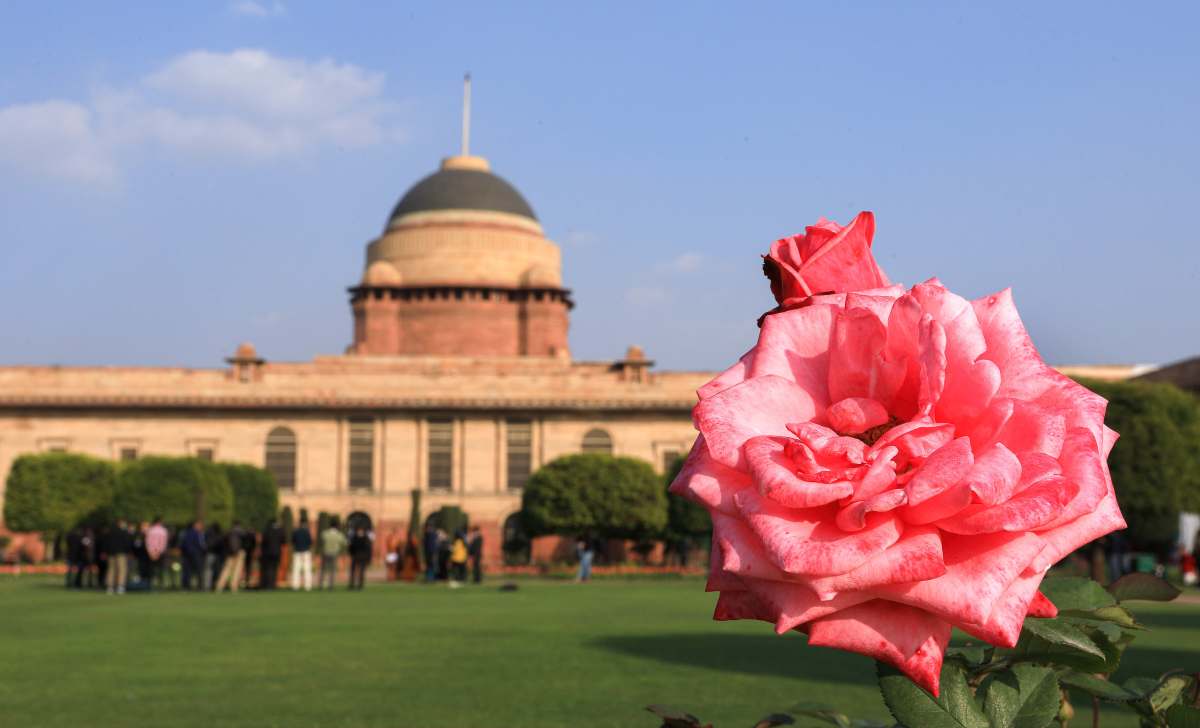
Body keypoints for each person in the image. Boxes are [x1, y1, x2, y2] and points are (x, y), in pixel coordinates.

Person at [214, 520, 246, 593]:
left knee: (226, 570)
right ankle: (234, 586)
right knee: (237, 571)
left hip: (230, 553)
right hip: (239, 552)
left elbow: (222, 541)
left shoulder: (228, 532)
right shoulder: (241, 532)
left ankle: (219, 586)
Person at [105, 519, 133, 595]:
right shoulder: (124, 532)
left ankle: (110, 587)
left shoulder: (110, 532)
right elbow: (127, 543)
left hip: (111, 553)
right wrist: (129, 552)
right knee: (122, 569)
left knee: (111, 569)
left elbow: (106, 543)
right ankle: (120, 586)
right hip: (121, 553)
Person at [319, 518, 347, 590]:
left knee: (323, 569)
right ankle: (330, 585)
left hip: (326, 552)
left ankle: (321, 585)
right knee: (332, 570)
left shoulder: (325, 533)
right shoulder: (338, 535)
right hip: (334, 553)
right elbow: (345, 542)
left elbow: (321, 540)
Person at [180, 520, 206, 591]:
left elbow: (182, 544)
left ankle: (186, 586)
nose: (201, 527)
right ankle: (200, 586)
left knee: (187, 571)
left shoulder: (186, 533)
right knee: (199, 570)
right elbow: (201, 545)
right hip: (195, 554)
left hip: (187, 554)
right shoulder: (198, 533)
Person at [290, 516, 314, 591]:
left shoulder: (296, 531)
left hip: (297, 552)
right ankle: (308, 586)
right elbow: (310, 542)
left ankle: (295, 586)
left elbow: (293, 541)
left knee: (296, 570)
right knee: (307, 570)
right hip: (306, 552)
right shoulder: (307, 532)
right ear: (305, 523)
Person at [145, 516, 169, 589]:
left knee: (151, 569)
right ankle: (161, 585)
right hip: (160, 553)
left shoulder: (150, 530)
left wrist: (151, 552)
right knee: (161, 569)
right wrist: (159, 552)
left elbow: (148, 542)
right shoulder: (163, 530)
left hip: (151, 553)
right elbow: (163, 543)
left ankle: (151, 585)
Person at [260, 519, 284, 590]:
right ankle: (273, 584)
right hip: (277, 553)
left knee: (268, 569)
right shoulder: (280, 531)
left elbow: (263, 542)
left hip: (267, 553)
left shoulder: (267, 530)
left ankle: (267, 584)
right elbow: (283, 540)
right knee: (274, 569)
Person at [205, 523, 226, 591]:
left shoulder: (208, 534)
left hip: (210, 553)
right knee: (216, 570)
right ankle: (214, 585)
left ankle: (208, 586)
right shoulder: (219, 535)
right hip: (216, 554)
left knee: (209, 570)